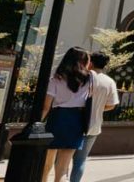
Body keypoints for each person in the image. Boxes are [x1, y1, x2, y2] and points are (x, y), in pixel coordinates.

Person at [70, 51, 121, 182]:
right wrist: (97, 108)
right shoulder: (109, 82)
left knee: (62, 157)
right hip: (93, 126)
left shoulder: (82, 76)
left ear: (90, 63)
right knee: (80, 161)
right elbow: (112, 105)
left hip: (74, 122)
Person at [42, 47, 91, 182]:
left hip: (57, 118)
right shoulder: (88, 79)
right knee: (63, 167)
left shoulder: (57, 77)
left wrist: (38, 122)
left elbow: (46, 106)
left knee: (46, 164)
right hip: (76, 120)